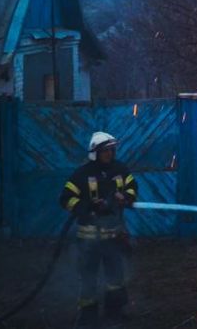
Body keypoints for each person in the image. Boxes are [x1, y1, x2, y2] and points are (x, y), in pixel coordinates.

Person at [60, 131, 138, 328]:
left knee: (115, 277)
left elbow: (132, 187)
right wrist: (88, 206)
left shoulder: (120, 169)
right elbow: (66, 198)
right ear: (95, 152)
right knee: (88, 277)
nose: (110, 154)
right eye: (105, 151)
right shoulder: (82, 174)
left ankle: (115, 311)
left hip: (114, 236)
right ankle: (87, 315)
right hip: (89, 238)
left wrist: (126, 197)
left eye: (112, 150)